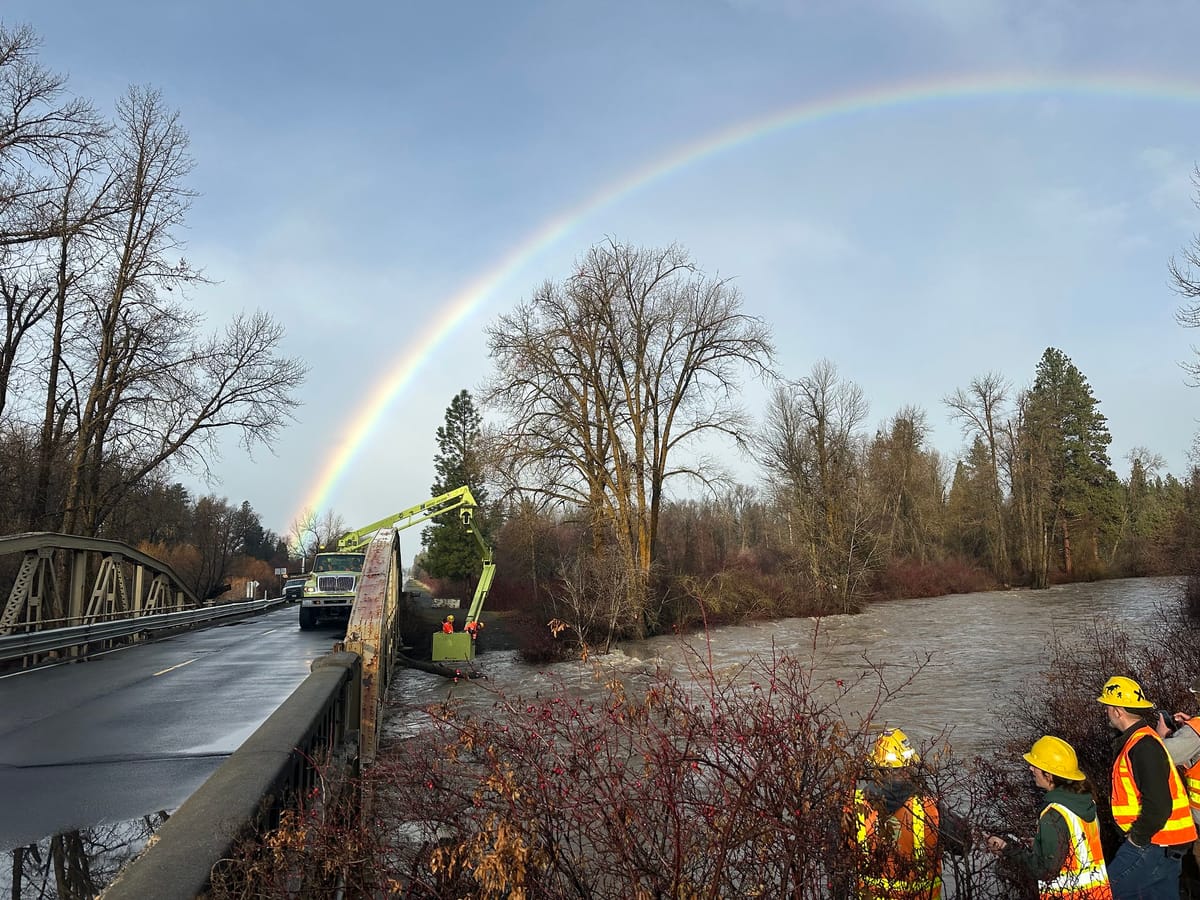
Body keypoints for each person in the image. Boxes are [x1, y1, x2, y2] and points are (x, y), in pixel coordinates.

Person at [1097, 675, 1197, 899]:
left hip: (1152, 843)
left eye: (1107, 708)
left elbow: (1159, 806)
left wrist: (1136, 839)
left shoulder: (1143, 746)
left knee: (1101, 893)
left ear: (1117, 710)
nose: (1106, 713)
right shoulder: (1142, 741)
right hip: (1164, 844)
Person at [847, 727, 968, 899]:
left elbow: (833, 864)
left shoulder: (852, 808)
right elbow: (964, 843)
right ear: (908, 768)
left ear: (875, 768)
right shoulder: (931, 808)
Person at [986, 735, 1112, 898]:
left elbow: (1045, 870)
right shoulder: (1085, 803)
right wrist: (1039, 844)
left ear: (1050, 775)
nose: (1031, 768)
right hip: (1097, 895)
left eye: (1036, 766)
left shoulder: (1054, 814)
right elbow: (1077, 847)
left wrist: (1006, 849)